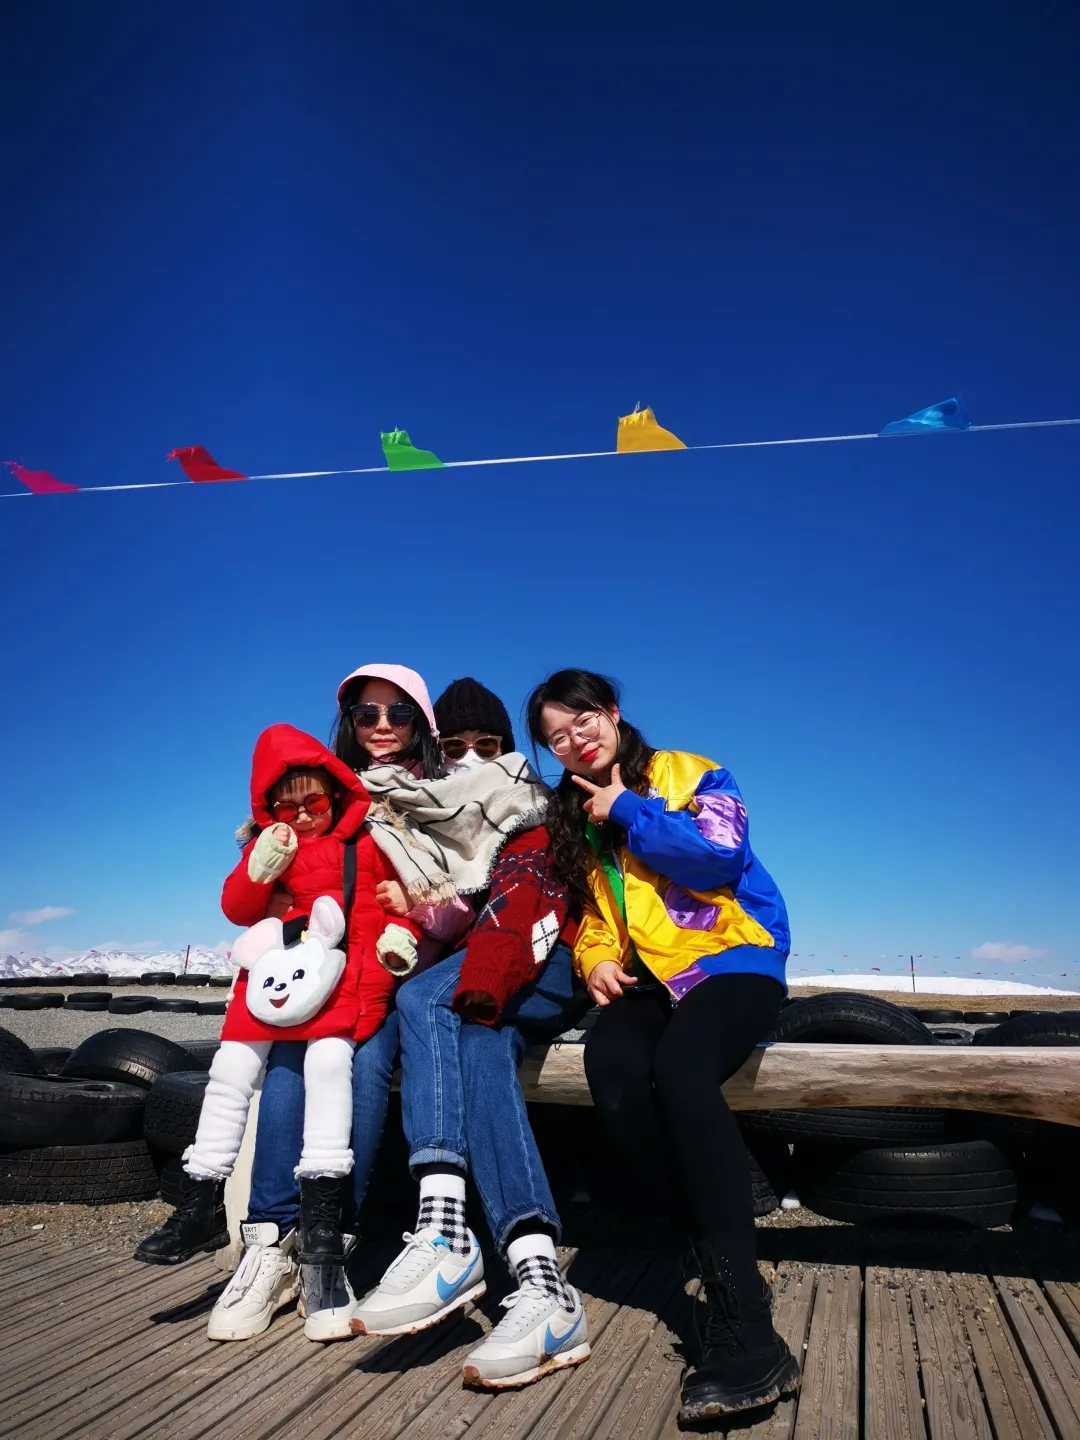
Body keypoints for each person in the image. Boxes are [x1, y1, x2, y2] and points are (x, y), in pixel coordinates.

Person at [526, 669, 800, 1424]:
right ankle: (713, 1251)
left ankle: (747, 1325)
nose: (575, 741)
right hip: (651, 981)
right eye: (557, 738)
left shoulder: (690, 773)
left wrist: (629, 808)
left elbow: (719, 857)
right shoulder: (579, 818)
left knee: (682, 1071)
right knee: (611, 1066)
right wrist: (595, 960)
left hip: (734, 960)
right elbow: (598, 913)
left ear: (612, 714)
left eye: (583, 721)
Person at [197, 665, 458, 1343]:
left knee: (362, 1070)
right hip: (319, 978)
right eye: (366, 713)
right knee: (287, 1070)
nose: (381, 726)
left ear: (422, 724)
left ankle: (329, 1244)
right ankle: (270, 1244)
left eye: (398, 713)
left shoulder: (441, 796)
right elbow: (259, 899)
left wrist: (414, 909)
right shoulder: (317, 792)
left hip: (404, 972)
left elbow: (461, 896)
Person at [351, 677, 591, 1391]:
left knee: (427, 999)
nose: (471, 759)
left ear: (509, 749)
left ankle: (446, 1229)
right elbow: (455, 907)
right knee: (481, 1045)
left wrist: (475, 978)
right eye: (454, 747)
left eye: (488, 745)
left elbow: (523, 906)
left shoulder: (526, 806)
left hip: (544, 957)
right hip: (492, 968)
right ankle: (542, 1284)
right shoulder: (447, 817)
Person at [134, 725, 421, 1282]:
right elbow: (238, 909)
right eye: (287, 807)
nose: (304, 816)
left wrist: (398, 938)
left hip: (335, 983)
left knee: (330, 1068)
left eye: (315, 802)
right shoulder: (270, 846)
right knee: (229, 1073)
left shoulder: (366, 844)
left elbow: (387, 913)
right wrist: (260, 866)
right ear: (269, 809)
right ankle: (201, 1203)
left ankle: (323, 1218)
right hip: (271, 979)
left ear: (336, 794)